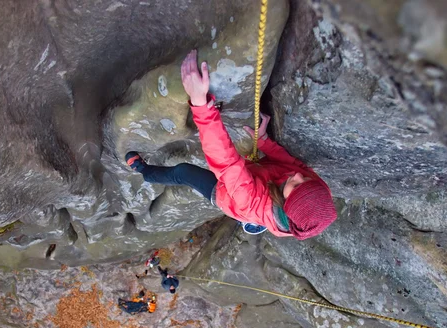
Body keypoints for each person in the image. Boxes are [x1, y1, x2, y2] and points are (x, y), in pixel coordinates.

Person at [125, 50, 337, 239]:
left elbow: (227, 163)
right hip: (262, 184)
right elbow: (293, 164)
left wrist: (201, 105)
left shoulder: (252, 201)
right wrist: (264, 142)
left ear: (287, 204)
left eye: (297, 185)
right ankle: (254, 222)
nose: (299, 175)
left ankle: (144, 171)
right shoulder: (316, 190)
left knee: (183, 172)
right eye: (306, 179)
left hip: (227, 195)